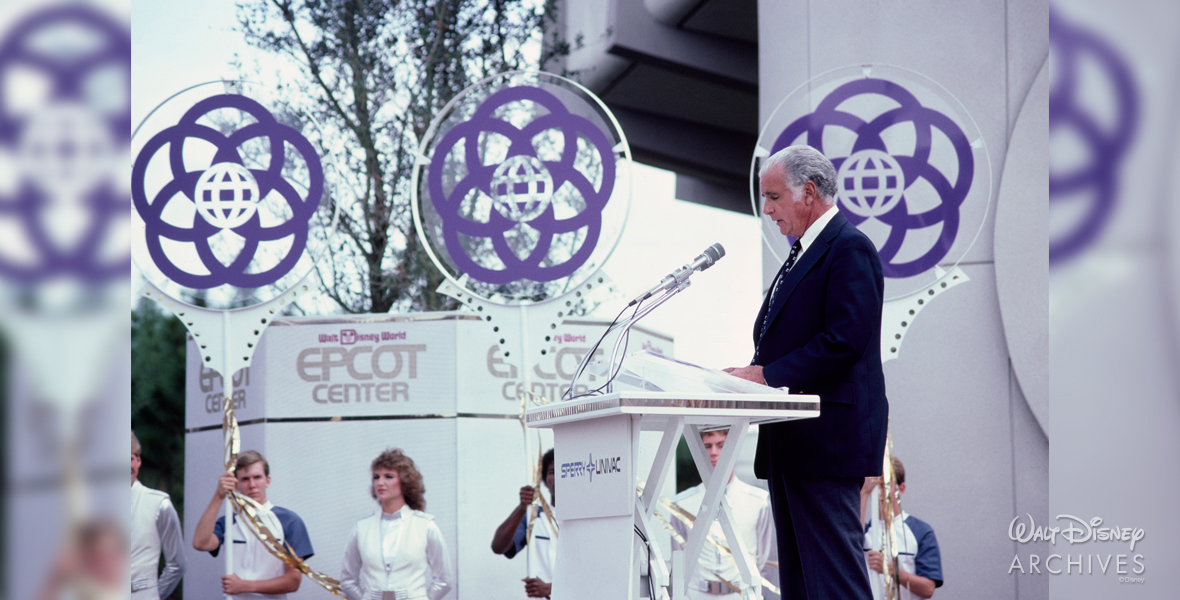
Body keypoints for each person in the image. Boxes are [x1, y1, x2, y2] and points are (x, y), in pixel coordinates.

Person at [724, 145, 888, 600]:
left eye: (774, 197)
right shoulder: (801, 255)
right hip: (792, 442)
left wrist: (765, 375)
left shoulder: (849, 248)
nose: (767, 210)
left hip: (825, 443)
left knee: (835, 585)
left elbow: (845, 341)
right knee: (799, 587)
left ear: (808, 193)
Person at [193, 450, 315, 599]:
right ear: (236, 485)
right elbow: (201, 543)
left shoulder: (289, 521)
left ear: (267, 480)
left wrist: (244, 586)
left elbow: (293, 581)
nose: (252, 485)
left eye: (257, 477)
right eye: (245, 479)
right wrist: (219, 495)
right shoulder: (229, 523)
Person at [669, 430, 775, 600]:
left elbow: (766, 564)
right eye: (707, 446)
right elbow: (678, 562)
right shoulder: (682, 504)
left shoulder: (759, 501)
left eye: (721, 445)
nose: (714, 452)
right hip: (695, 595)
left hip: (740, 595)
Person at [340, 448, 454, 600]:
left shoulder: (425, 525)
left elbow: (444, 580)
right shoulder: (361, 527)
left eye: (388, 476)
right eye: (376, 477)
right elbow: (347, 580)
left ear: (405, 482)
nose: (380, 482)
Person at [860, 457, 943, 600]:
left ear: (901, 489)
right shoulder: (865, 530)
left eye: (884, 486)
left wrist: (890, 569)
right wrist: (864, 493)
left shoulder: (921, 531)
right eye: (874, 486)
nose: (879, 493)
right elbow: (848, 544)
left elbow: (928, 589)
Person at [491, 449, 557, 599]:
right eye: (553, 471)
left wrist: (550, 588)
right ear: (544, 480)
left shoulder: (587, 519)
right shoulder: (534, 516)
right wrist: (522, 508)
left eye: (565, 469)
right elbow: (498, 547)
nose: (560, 475)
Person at [130, 431, 186, 599]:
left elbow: (177, 564)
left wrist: (154, 595)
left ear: (138, 461)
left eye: (130, 459)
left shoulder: (159, 504)